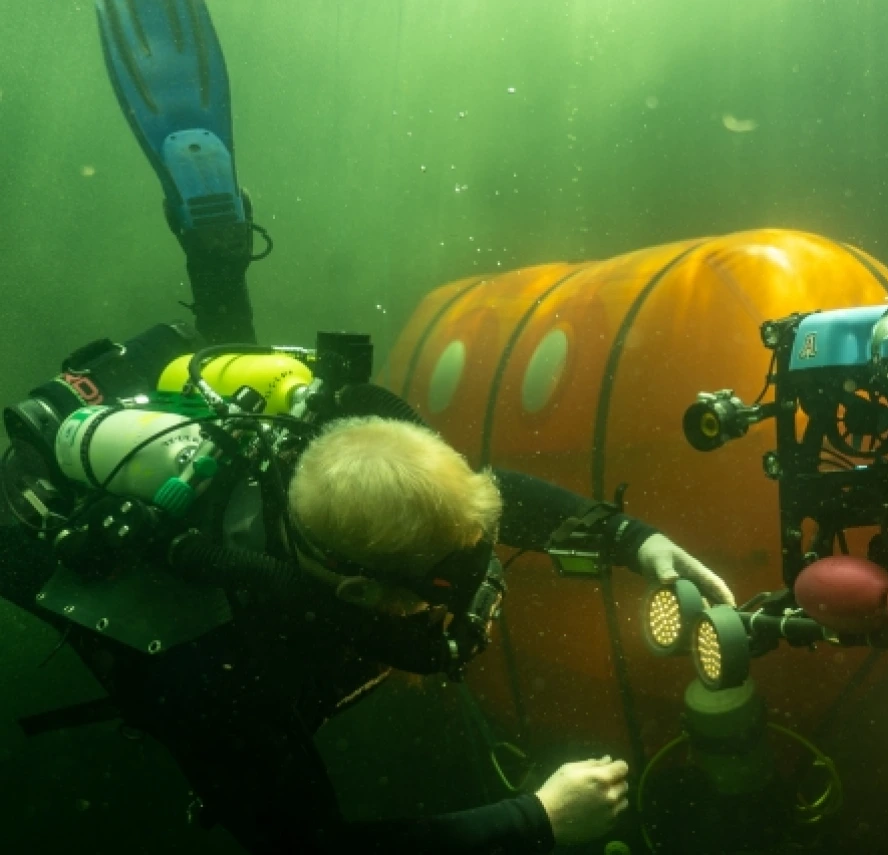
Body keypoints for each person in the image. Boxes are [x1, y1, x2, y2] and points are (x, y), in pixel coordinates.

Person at [1, 7, 737, 852]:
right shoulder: (210, 674)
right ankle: (216, 255)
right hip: (55, 534)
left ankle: (216, 251)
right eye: (438, 592)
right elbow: (311, 845)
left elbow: (485, 494)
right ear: (358, 592)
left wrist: (634, 539)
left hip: (239, 465)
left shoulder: (365, 435)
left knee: (247, 373)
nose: (469, 592)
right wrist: (537, 818)